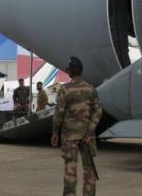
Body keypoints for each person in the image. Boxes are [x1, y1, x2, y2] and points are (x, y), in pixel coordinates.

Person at [51, 57, 103, 196]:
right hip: (87, 136)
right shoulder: (91, 89)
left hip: (70, 136)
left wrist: (55, 133)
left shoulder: (65, 90)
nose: (68, 71)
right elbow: (98, 111)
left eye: (69, 69)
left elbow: (59, 114)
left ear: (73, 70)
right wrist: (90, 130)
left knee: (70, 169)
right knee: (89, 170)